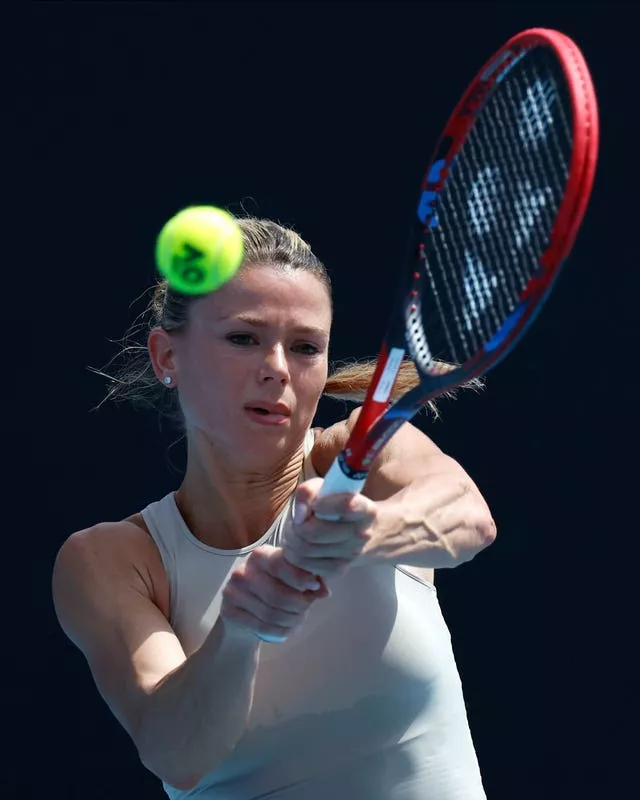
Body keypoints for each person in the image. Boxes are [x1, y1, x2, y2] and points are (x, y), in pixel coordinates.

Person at [52, 216, 497, 799]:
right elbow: (176, 752)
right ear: (167, 357)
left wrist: (366, 532)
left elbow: (468, 517)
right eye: (244, 338)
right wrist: (240, 631)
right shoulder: (112, 561)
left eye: (306, 347)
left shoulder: (366, 456)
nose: (279, 369)